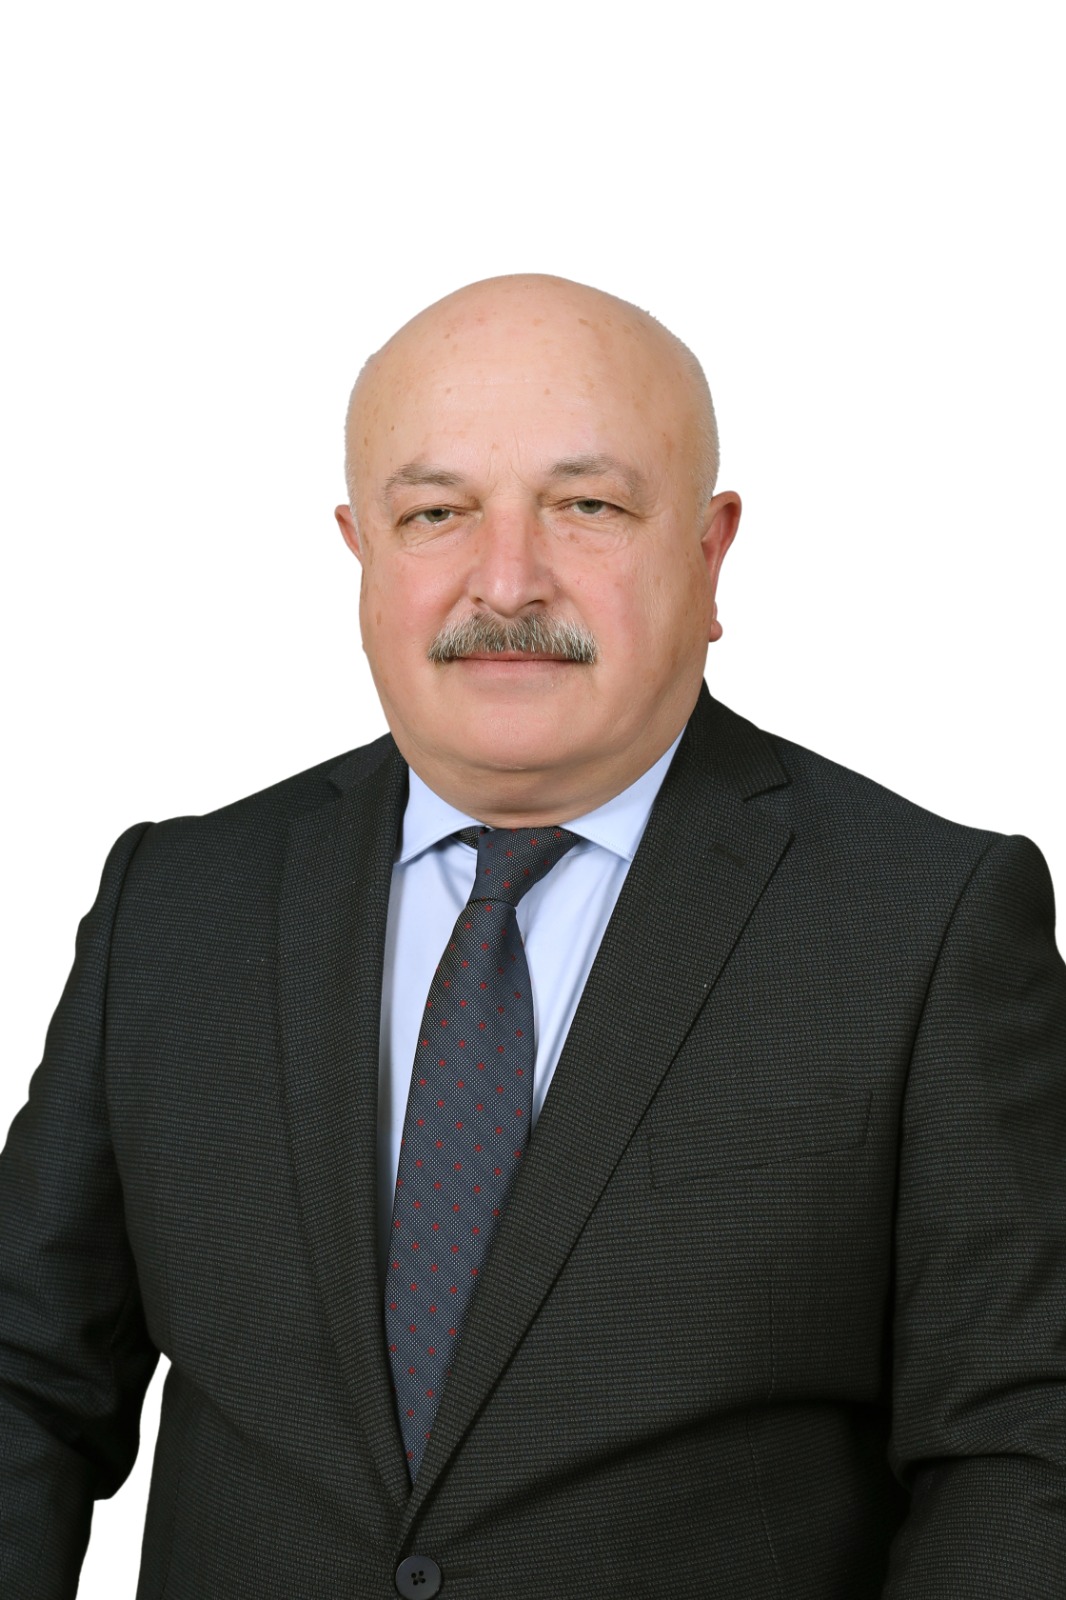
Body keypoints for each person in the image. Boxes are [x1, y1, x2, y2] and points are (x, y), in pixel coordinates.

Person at [1, 273, 1064, 1600]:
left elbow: (1020, 1447)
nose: (505, 581)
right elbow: (26, 1377)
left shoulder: (925, 923)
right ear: (361, 551)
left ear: (709, 553)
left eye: (588, 506)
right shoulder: (175, 903)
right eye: (435, 514)